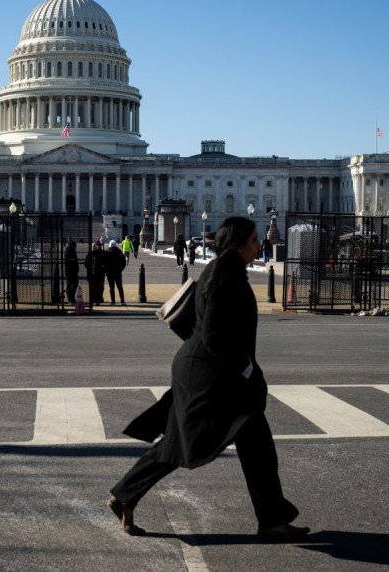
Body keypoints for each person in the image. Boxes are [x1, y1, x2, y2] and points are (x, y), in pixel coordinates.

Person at [107, 217, 309, 542]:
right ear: (240, 243)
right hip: (212, 375)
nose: (260, 245)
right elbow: (215, 336)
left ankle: (125, 494)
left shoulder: (221, 271)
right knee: (211, 441)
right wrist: (247, 371)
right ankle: (271, 520)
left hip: (203, 369)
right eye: (255, 240)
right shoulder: (226, 276)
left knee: (195, 440)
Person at [83, 241, 107, 308]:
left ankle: (92, 300)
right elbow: (103, 263)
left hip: (91, 274)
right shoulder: (99, 254)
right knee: (98, 288)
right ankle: (97, 301)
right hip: (98, 274)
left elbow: (86, 264)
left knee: (91, 288)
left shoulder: (89, 255)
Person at [105, 239, 126, 305]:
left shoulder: (107, 251)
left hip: (109, 273)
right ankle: (122, 301)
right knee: (120, 287)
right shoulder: (119, 252)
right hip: (117, 272)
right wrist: (120, 269)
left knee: (111, 288)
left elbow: (104, 262)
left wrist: (106, 270)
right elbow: (124, 262)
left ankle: (113, 301)